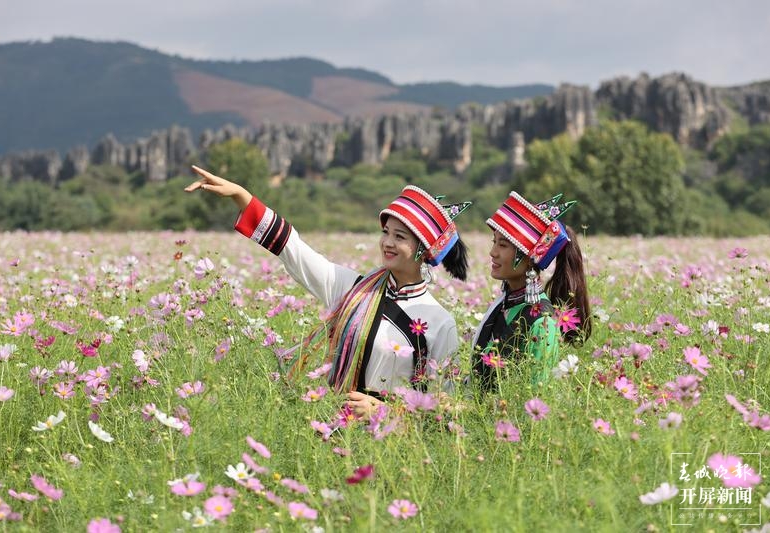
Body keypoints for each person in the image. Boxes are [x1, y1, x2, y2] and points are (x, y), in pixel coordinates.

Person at [185, 165, 470, 417]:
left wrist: (386, 411)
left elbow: (446, 403)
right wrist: (242, 197)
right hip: (334, 429)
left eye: (399, 236)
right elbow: (294, 251)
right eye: (385, 233)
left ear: (423, 249)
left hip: (395, 447)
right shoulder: (356, 290)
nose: (387, 243)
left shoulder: (438, 322)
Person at [471, 191, 591, 391]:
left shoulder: (541, 324)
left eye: (503, 245)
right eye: (494, 242)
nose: (493, 252)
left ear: (529, 257)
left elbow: (535, 399)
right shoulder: (502, 305)